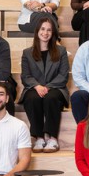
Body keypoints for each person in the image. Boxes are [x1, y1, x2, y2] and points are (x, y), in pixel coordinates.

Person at [19, 17, 69, 153]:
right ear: (37, 31)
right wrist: (37, 86)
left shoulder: (61, 51)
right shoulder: (27, 53)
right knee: (32, 98)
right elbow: (25, 76)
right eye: (42, 29)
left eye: (49, 30)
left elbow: (63, 76)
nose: (45, 33)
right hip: (34, 88)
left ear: (53, 33)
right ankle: (39, 137)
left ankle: (52, 138)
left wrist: (47, 87)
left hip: (56, 88)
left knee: (50, 97)